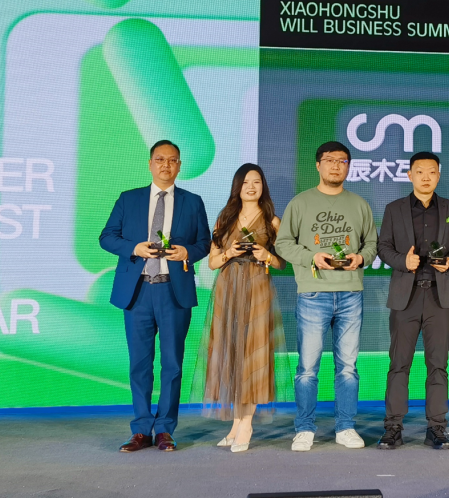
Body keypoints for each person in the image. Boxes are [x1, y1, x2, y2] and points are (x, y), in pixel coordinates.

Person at [99, 140, 211, 453]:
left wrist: (187, 252)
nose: (166, 165)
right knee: (140, 364)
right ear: (150, 164)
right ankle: (140, 429)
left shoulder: (192, 202)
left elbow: (205, 243)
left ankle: (164, 429)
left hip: (173, 291)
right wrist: (133, 248)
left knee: (172, 364)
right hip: (137, 291)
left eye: (172, 160)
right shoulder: (129, 199)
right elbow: (107, 237)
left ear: (179, 166)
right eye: (160, 159)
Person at [274, 141, 378, 452]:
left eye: (342, 161)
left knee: (348, 367)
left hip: (350, 292)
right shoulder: (300, 203)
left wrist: (361, 257)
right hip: (313, 292)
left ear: (349, 167)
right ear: (318, 165)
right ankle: (305, 428)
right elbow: (283, 243)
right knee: (308, 367)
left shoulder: (359, 204)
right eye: (330, 160)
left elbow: (372, 244)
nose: (336, 165)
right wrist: (311, 257)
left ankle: (345, 426)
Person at [191, 163, 287, 453]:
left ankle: (246, 424)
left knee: (254, 355)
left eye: (256, 181)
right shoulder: (225, 218)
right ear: (237, 186)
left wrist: (266, 255)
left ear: (263, 186)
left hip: (257, 288)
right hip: (228, 289)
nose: (251, 186)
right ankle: (235, 423)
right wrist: (229, 253)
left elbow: (282, 263)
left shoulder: (272, 221)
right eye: (245, 182)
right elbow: (212, 262)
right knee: (232, 354)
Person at [375, 151, 449, 450]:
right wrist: (403, 260)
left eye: (431, 172)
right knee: (399, 364)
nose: (426, 177)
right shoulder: (394, 209)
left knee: (438, 365)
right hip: (407, 295)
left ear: (438, 175)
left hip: (439, 296)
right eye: (419, 171)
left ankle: (437, 428)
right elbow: (383, 247)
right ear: (409, 175)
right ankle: (393, 428)